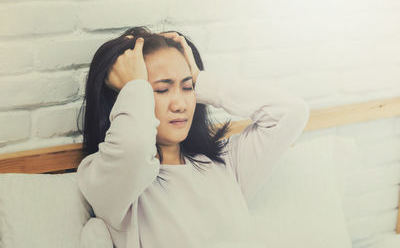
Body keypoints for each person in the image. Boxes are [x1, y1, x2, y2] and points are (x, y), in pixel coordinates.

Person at [76, 26, 310, 248]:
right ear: (126, 95)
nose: (180, 104)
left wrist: (200, 79)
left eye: (188, 88)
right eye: (160, 90)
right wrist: (135, 86)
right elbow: (134, 148)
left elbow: (290, 113)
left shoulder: (225, 164)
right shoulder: (107, 177)